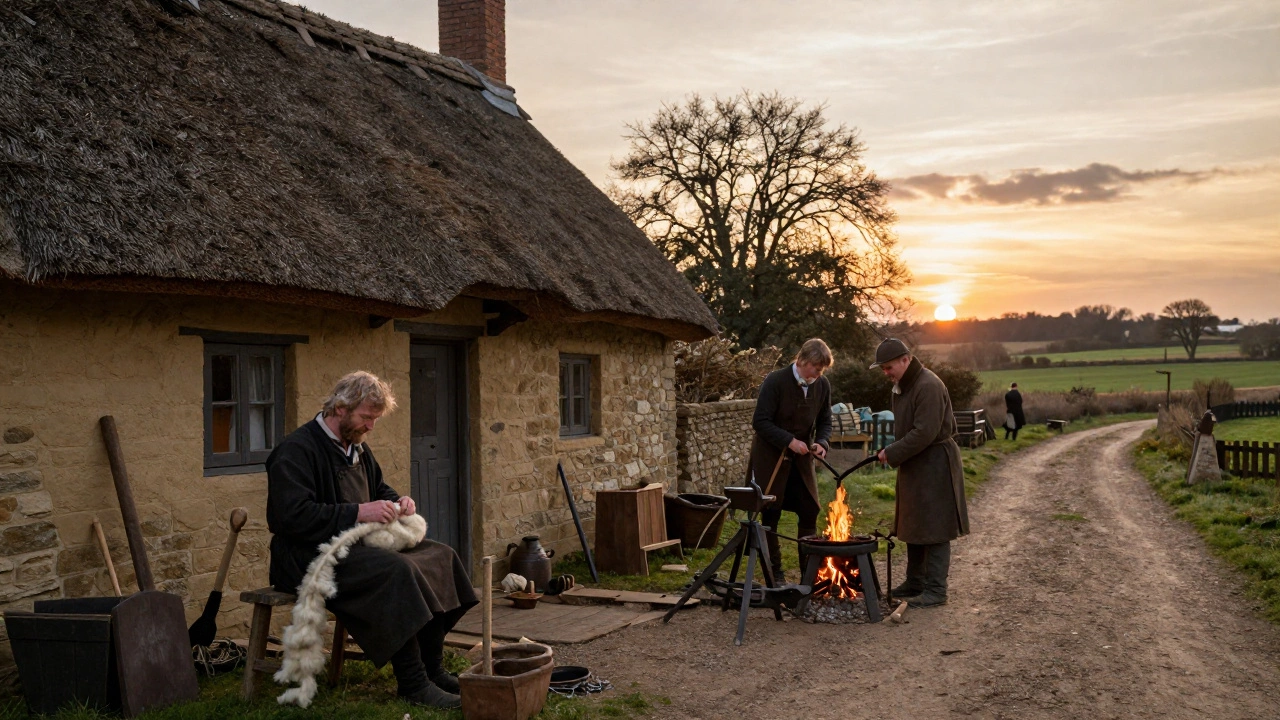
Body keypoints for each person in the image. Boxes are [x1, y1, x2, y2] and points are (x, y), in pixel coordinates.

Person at [266, 371, 477, 708]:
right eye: (367, 417)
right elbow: (291, 516)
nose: (371, 427)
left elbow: (378, 490)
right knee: (395, 572)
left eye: (375, 419)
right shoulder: (295, 450)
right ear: (340, 407)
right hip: (306, 556)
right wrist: (358, 513)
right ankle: (413, 683)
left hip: (353, 547)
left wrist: (398, 502)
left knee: (442, 557)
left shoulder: (357, 448)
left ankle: (432, 667)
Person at [872, 339, 969, 608]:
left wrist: (892, 451)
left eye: (889, 367)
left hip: (936, 462)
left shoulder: (928, 385)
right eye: (883, 369)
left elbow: (925, 431)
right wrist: (895, 450)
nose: (886, 373)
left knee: (937, 525)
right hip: (915, 462)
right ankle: (915, 582)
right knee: (913, 522)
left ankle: (936, 590)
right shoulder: (902, 386)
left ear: (906, 359)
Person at [748, 338, 834, 580]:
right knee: (771, 513)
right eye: (815, 368)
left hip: (802, 460)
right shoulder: (775, 381)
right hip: (771, 458)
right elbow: (760, 421)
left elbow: (825, 421)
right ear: (802, 360)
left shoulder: (822, 385)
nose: (818, 374)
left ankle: (809, 576)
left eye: (822, 370)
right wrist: (788, 441)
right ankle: (775, 575)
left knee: (809, 509)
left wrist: (822, 443)